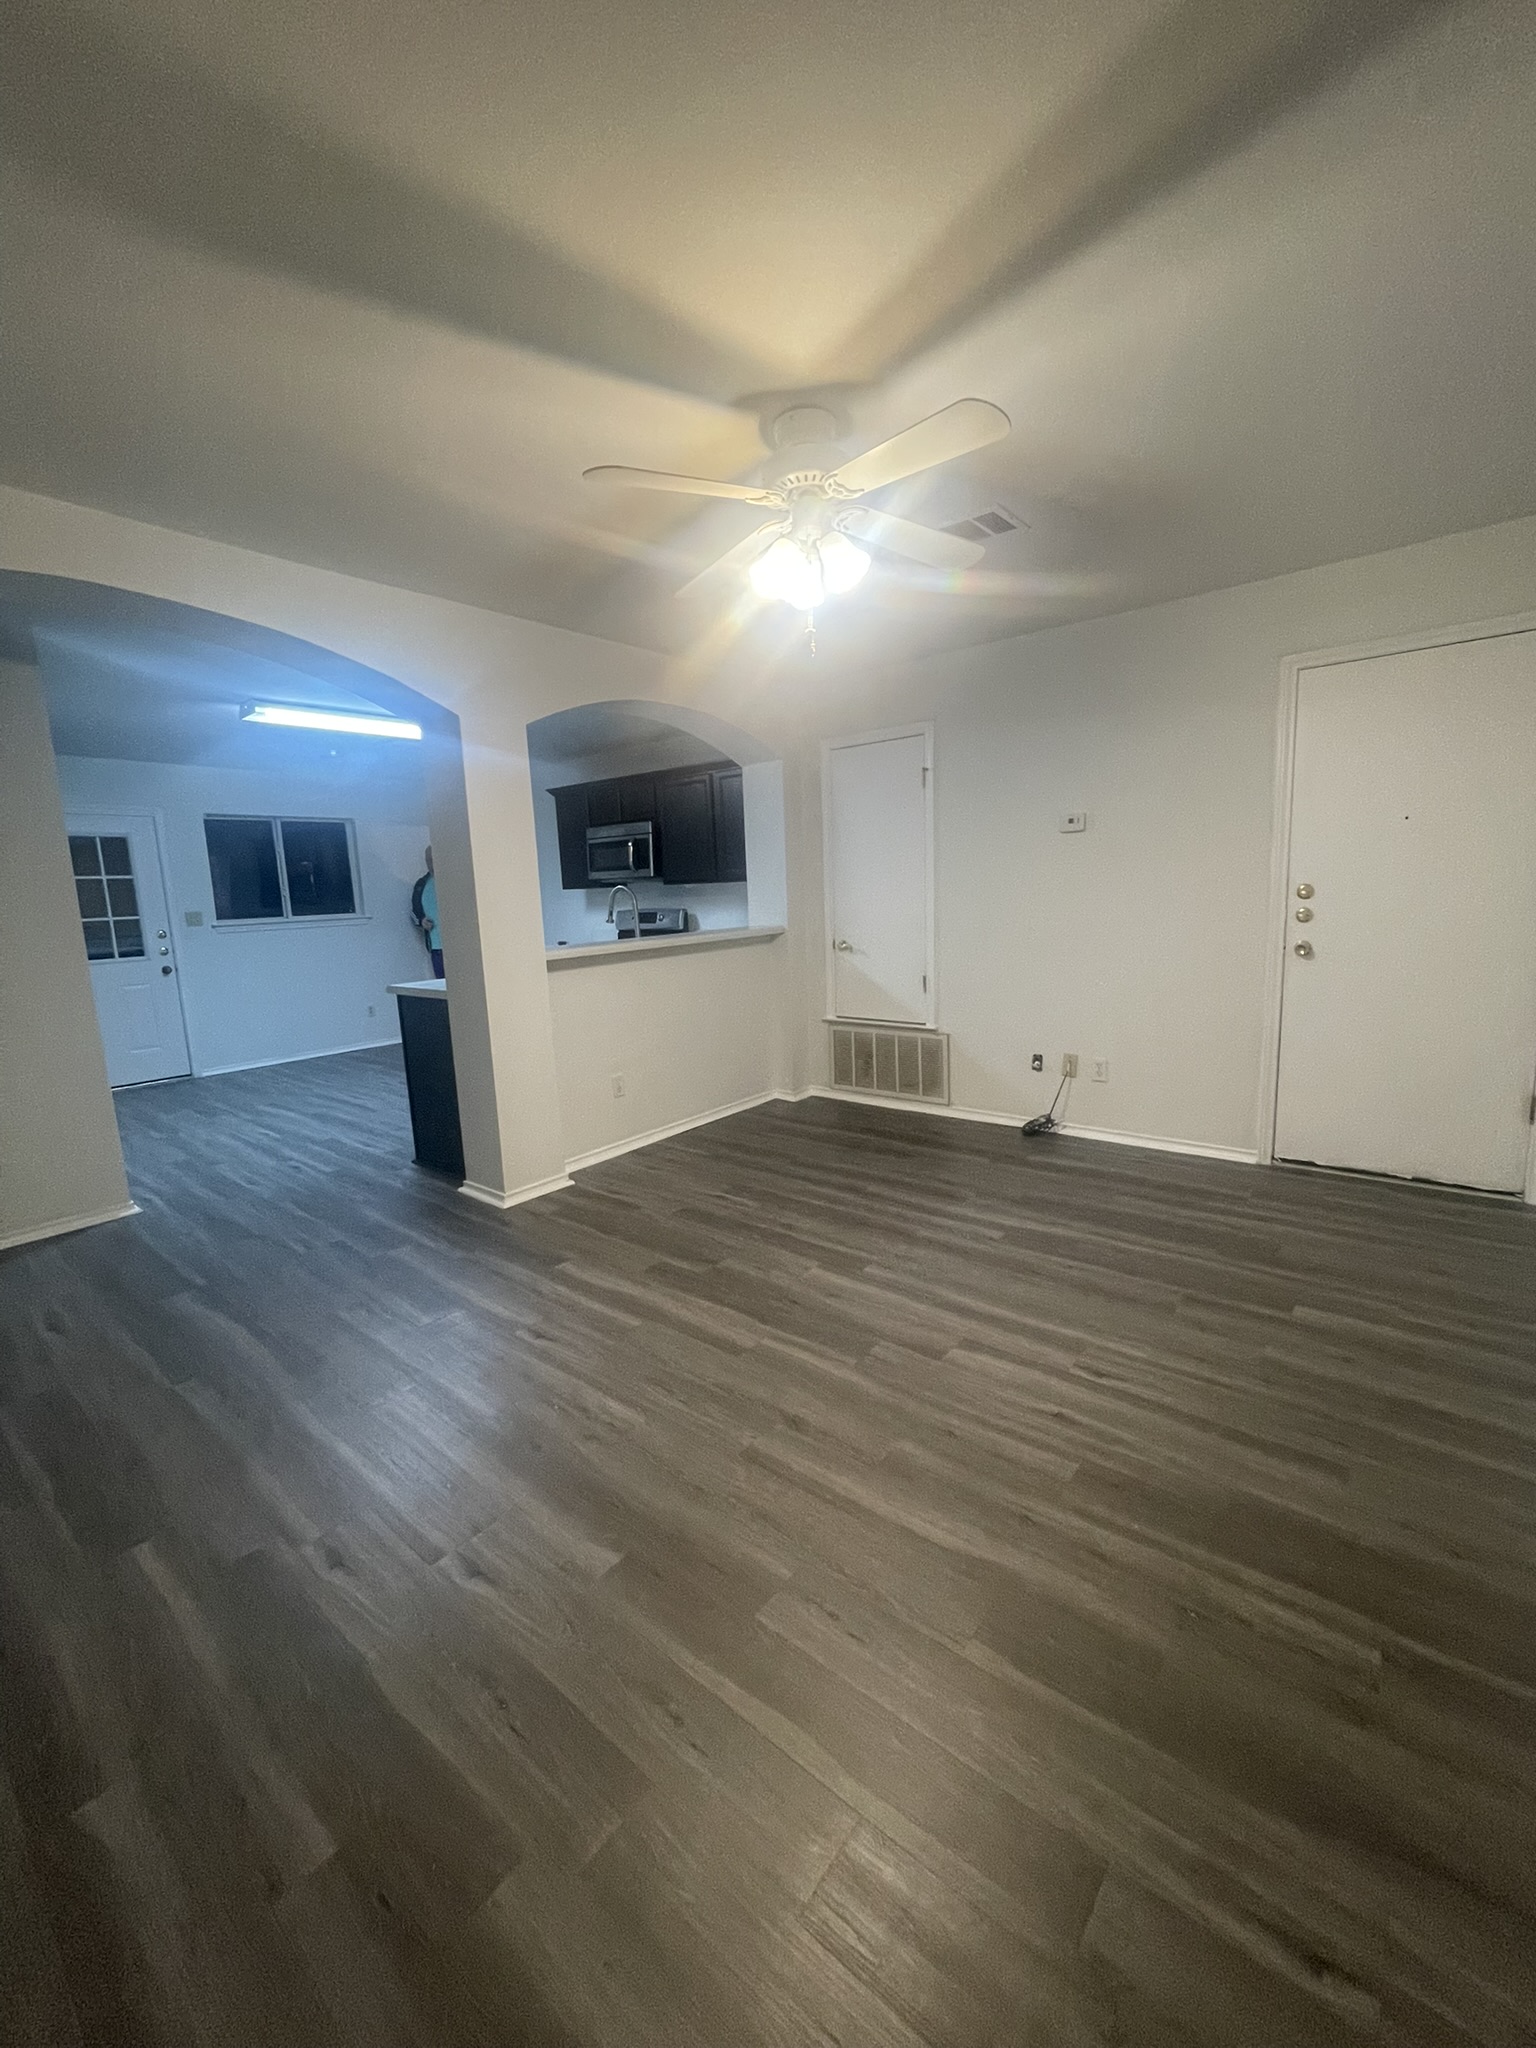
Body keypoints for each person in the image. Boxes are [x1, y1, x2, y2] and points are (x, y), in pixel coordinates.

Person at [410, 846, 444, 979]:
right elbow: (414, 913)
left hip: (458, 945)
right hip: (436, 947)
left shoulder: (454, 881)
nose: (430, 863)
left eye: (433, 859)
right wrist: (421, 921)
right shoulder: (421, 884)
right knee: (441, 985)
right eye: (428, 860)